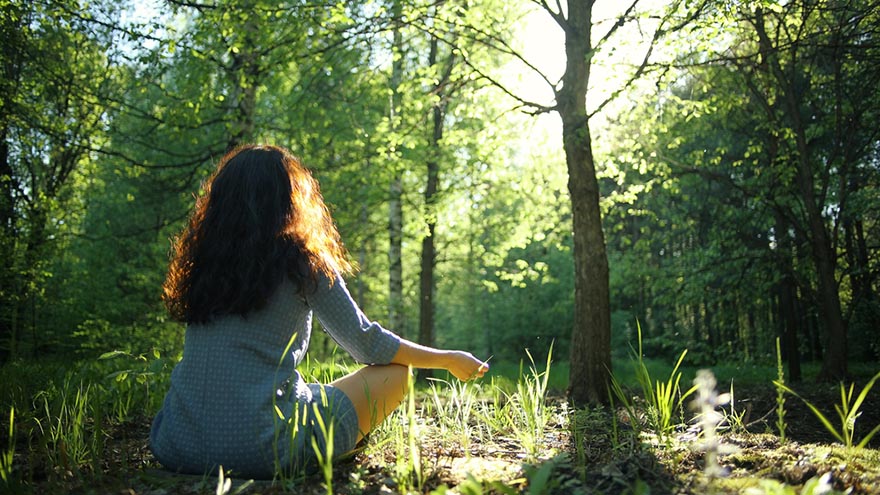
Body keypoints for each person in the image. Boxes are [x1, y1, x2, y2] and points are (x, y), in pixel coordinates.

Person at [150, 144, 488, 479]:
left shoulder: (202, 265)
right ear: (291, 198)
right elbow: (368, 345)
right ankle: (333, 450)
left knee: (307, 391)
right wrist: (447, 359)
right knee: (396, 375)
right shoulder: (302, 263)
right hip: (264, 453)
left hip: (176, 443)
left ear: (220, 201)